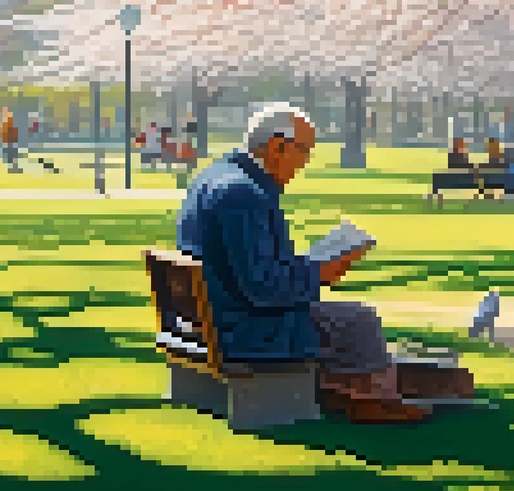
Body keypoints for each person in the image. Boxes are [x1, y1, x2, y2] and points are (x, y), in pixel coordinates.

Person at [176, 104, 429, 423]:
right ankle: (374, 400)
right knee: (359, 319)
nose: (306, 162)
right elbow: (263, 289)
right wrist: (321, 273)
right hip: (241, 327)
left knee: (344, 317)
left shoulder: (216, 178)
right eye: (304, 150)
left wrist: (307, 267)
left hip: (214, 316)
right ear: (277, 146)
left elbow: (251, 267)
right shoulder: (242, 194)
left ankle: (345, 393)